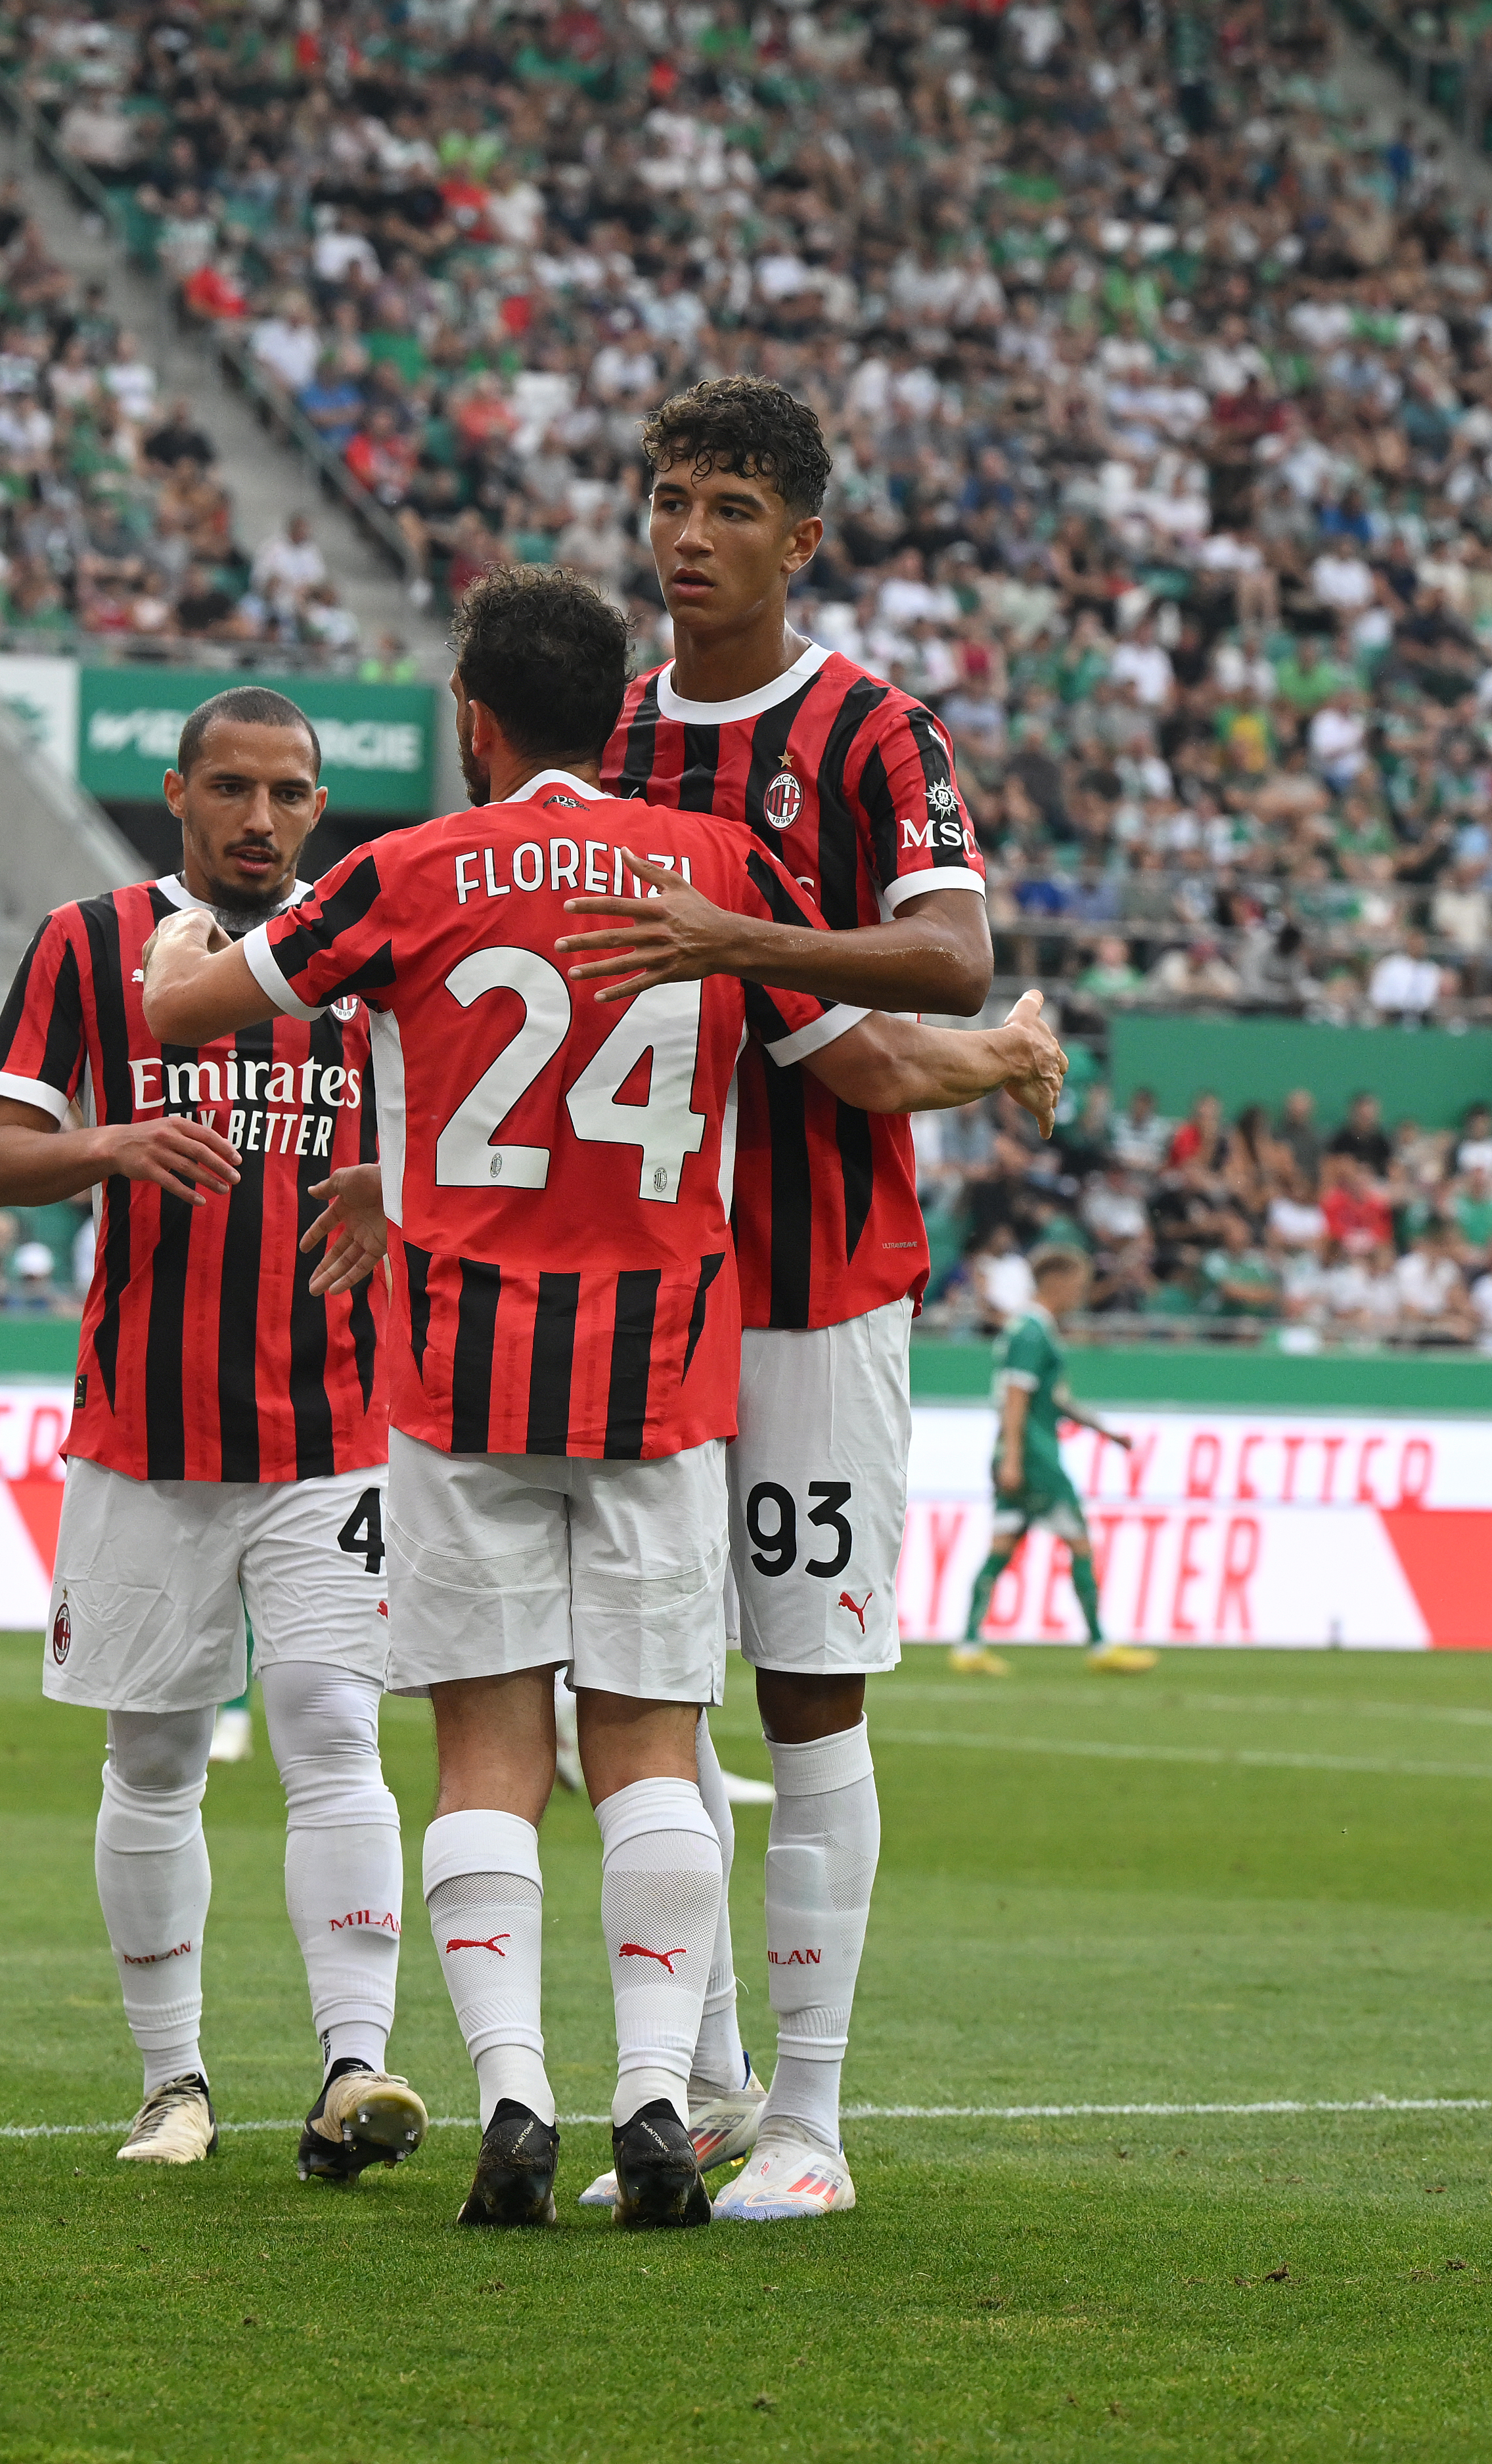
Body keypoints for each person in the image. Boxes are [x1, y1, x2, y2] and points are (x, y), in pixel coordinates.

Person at [141, 564, 1065, 2232]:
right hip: (662, 1367)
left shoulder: (407, 868)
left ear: (472, 721)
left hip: (460, 1370)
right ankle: (656, 2094)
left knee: (488, 1748)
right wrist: (996, 1054)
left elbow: (187, 1007)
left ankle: (514, 2090)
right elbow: (858, 1061)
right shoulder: (715, 870)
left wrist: (197, 934)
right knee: (651, 1741)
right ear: (613, 712)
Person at [553, 376, 999, 2224]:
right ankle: (713, 2086)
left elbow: (958, 956)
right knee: (632, 1695)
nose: (688, 532)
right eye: (669, 496)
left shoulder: (873, 730)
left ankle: (812, 2118)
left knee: (807, 1688)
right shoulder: (611, 730)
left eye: (732, 504)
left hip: (815, 1285)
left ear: (800, 537)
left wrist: (752, 937)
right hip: (633, 1285)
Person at [0, 686, 423, 2186]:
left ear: (317, 801)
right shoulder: (87, 942)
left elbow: (443, 1141)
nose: (260, 818)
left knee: (333, 1729)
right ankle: (173, 2081)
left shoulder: (363, 950)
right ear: (177, 793)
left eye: (288, 791)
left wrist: (392, 1188)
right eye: (229, 787)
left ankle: (356, 2064)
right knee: (155, 1752)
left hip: (337, 1426)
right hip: (146, 1425)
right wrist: (109, 1140)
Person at [955, 1245, 1152, 1677]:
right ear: (1058, 1282)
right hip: (1034, 1455)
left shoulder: (1030, 1328)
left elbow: (1054, 1397)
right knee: (1080, 1541)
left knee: (1002, 1546)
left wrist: (1105, 1431)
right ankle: (1100, 1644)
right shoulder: (1031, 1331)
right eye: (1078, 1286)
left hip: (1019, 1451)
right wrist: (1014, 1456)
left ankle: (968, 1645)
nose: (1080, 1296)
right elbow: (1016, 1394)